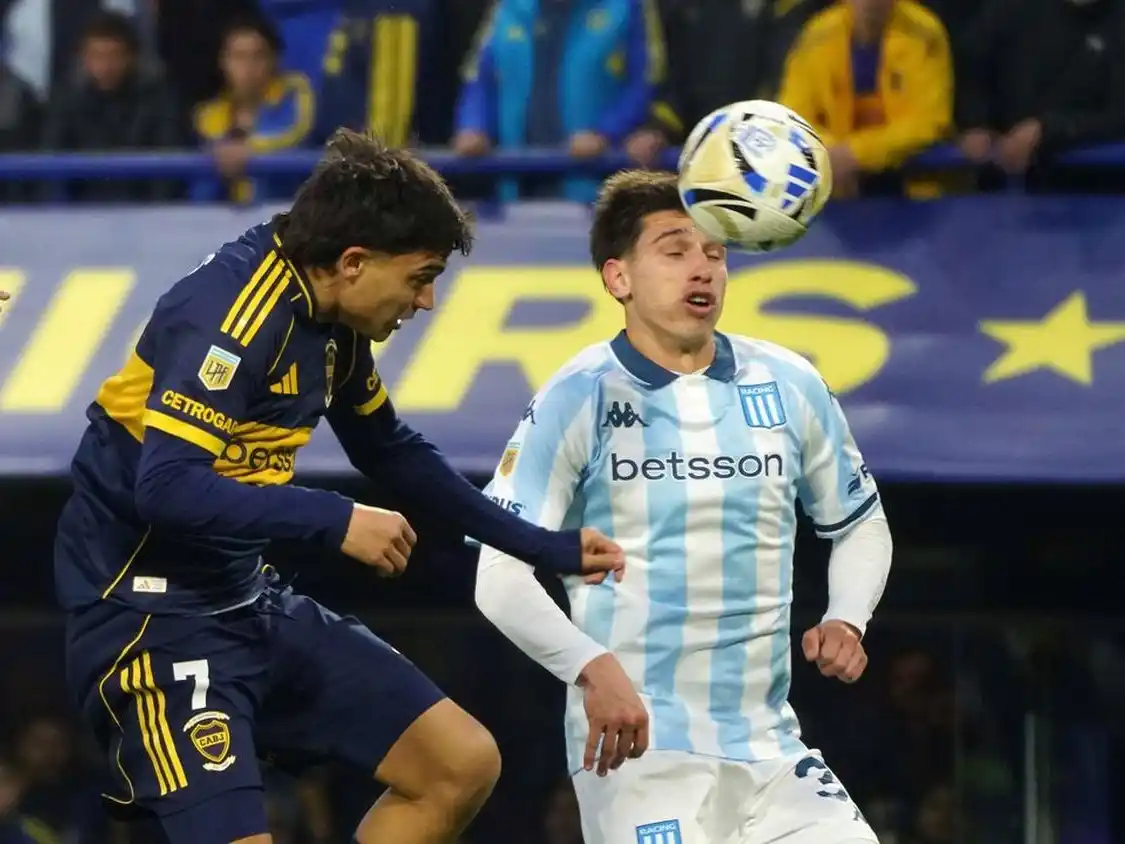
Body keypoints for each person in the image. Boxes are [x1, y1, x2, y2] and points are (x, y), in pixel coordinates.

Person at [53, 128, 624, 844]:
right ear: (354, 263)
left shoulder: (329, 314)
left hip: (244, 597)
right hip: (149, 621)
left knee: (458, 762)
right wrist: (334, 518)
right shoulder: (230, 318)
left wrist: (544, 545)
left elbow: (389, 448)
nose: (427, 303)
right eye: (420, 277)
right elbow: (164, 489)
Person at [474, 170, 893, 844]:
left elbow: (860, 523)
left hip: (772, 750)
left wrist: (846, 617)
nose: (701, 268)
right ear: (619, 278)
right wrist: (590, 668)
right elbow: (498, 576)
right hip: (637, 747)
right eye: (674, 250)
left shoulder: (788, 382)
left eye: (714, 252)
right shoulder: (575, 395)